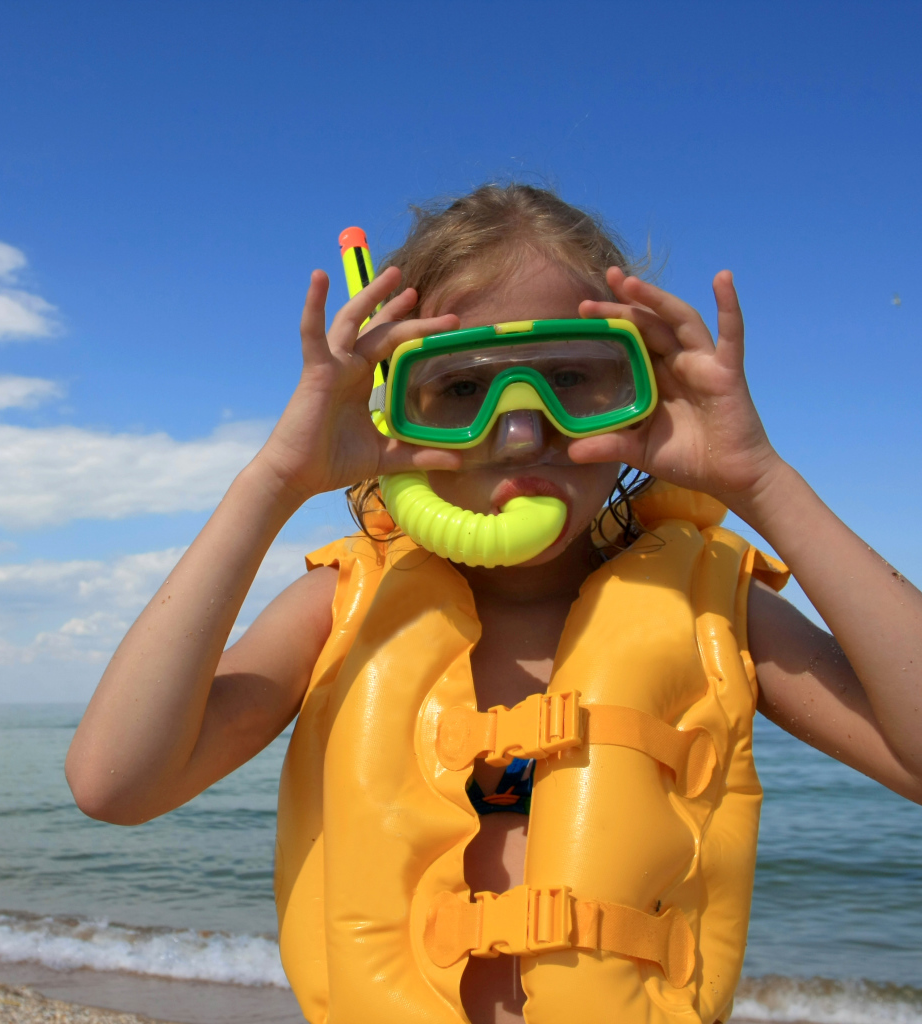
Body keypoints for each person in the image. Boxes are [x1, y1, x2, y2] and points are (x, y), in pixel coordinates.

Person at [64, 184, 922, 1024]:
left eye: (571, 376)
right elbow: (117, 783)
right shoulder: (345, 606)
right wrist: (274, 480)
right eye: (463, 389)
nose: (520, 432)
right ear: (395, 405)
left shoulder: (710, 611)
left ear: (643, 390)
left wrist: (762, 481)